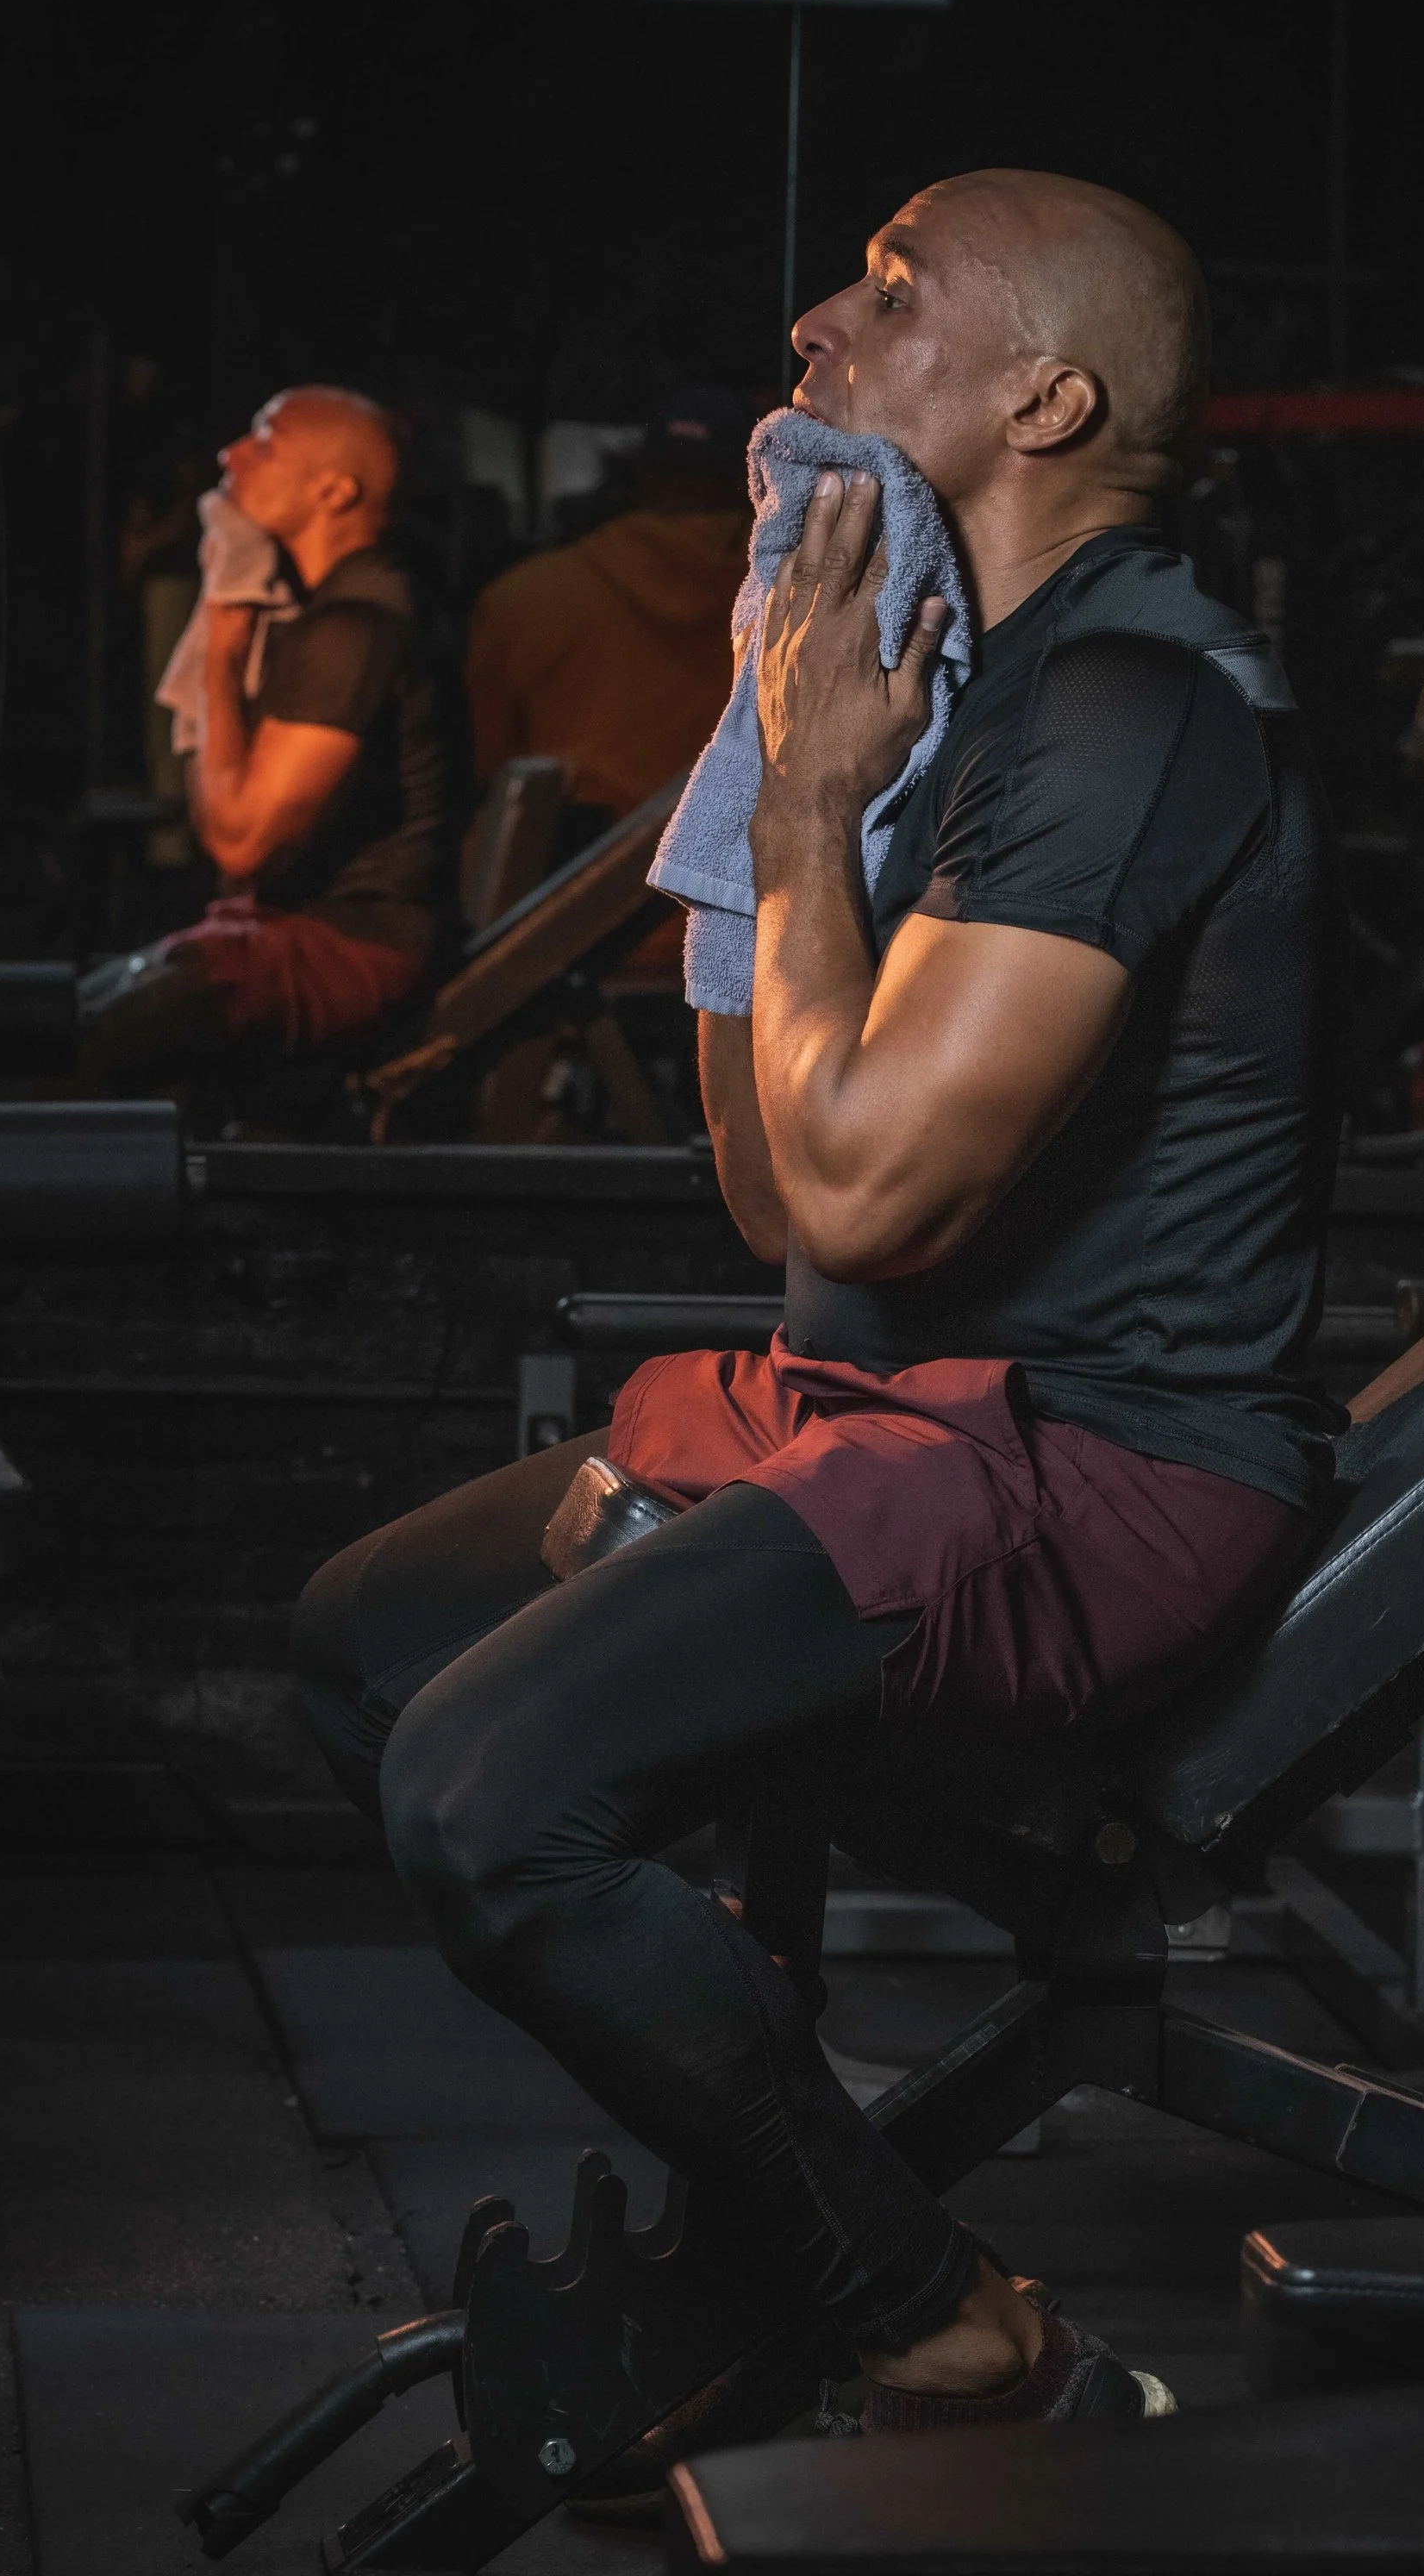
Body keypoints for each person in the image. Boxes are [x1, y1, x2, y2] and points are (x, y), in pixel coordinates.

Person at [293, 173, 1344, 2452]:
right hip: (893, 1401)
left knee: (489, 1794)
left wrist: (806, 811)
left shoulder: (1125, 700)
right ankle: (789, 2202)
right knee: (370, 1642)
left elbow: (863, 1169)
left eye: (890, 293)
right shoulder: (959, 701)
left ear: (1047, 395)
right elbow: (783, 1190)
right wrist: (769, 770)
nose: (811, 328)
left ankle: (924, 2305)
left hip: (1091, 1461)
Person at [77, 386, 456, 1092]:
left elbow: (241, 841)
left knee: (80, 1050)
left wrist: (222, 643)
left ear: (334, 490)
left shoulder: (356, 627)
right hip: (309, 930)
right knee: (65, 1015)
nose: (232, 454)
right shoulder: (338, 610)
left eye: (266, 440)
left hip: (351, 947)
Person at [465, 384, 753, 841]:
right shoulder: (795, 601)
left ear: (638, 473)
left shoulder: (526, 595)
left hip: (577, 884)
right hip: (733, 885)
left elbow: (490, 764)